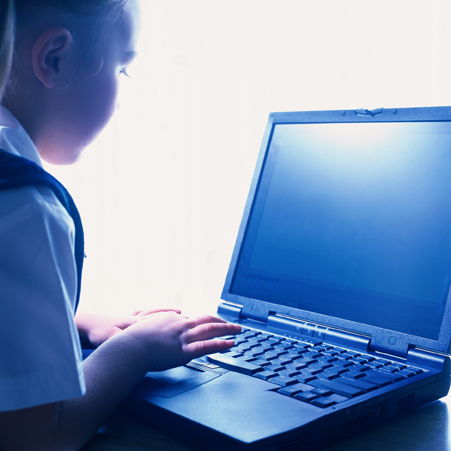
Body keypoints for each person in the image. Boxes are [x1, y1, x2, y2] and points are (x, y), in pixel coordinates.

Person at [0, 1, 241, 450]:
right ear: (55, 59)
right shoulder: (25, 206)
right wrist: (137, 350)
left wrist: (73, 321)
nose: (122, 91)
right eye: (121, 68)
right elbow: (38, 439)